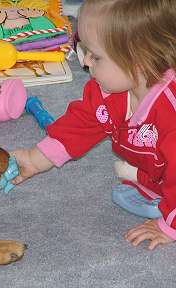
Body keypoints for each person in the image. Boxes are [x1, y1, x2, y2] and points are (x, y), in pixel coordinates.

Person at [12, 0, 176, 250]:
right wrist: (34, 160)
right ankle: (151, 180)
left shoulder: (170, 113)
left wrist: (169, 225)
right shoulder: (109, 90)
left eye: (96, 56)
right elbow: (81, 124)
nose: (86, 61)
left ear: (138, 61)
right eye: (84, 48)